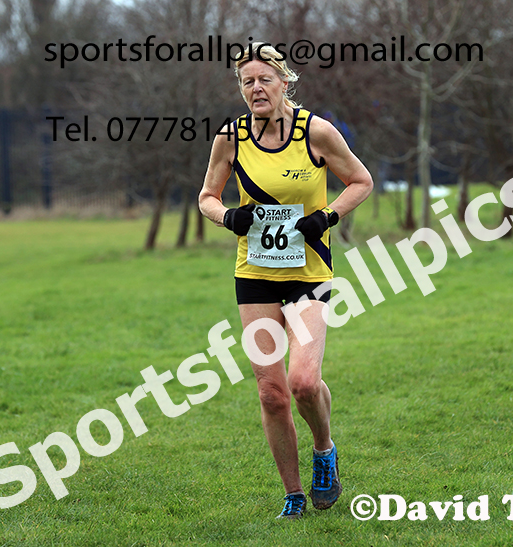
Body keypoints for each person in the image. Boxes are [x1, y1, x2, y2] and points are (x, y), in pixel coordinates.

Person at [198, 43, 373, 519]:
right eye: (247, 82)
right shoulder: (230, 138)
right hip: (254, 275)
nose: (256, 88)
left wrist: (327, 217)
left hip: (308, 274)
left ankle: (324, 450)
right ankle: (294, 495)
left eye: (264, 79)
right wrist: (229, 217)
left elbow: (361, 180)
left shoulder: (314, 131)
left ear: (284, 82)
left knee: (302, 381)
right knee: (271, 392)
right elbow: (206, 197)